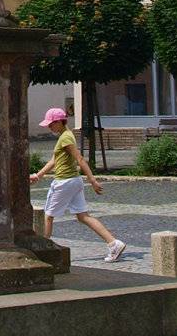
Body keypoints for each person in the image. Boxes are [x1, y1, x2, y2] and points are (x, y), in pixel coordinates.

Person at [29, 106, 126, 263]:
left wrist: (92, 180)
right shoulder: (65, 136)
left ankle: (43, 252)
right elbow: (55, 160)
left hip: (64, 182)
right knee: (83, 216)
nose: (49, 126)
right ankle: (114, 243)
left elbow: (80, 159)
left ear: (60, 122)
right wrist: (38, 175)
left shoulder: (66, 138)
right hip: (74, 181)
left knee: (48, 216)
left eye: (51, 123)